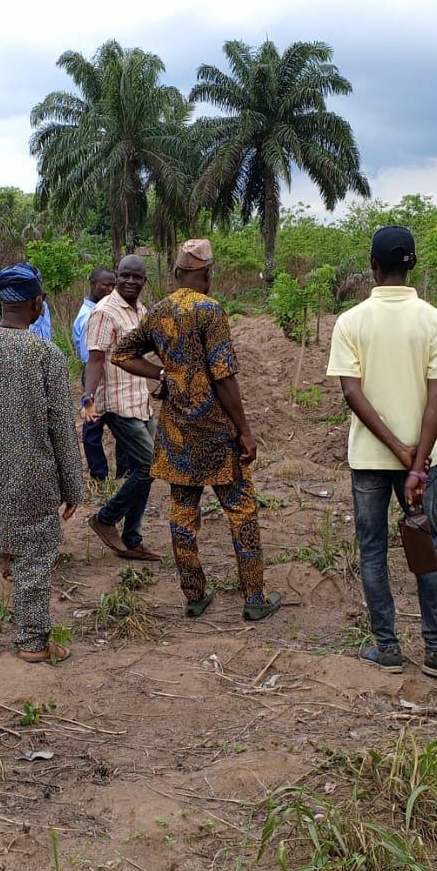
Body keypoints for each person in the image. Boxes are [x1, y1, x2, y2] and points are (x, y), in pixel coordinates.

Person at [111, 239, 282, 621]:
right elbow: (223, 376)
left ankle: (194, 595)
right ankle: (254, 597)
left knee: (182, 512)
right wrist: (245, 431)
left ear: (175, 274)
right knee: (240, 509)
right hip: (216, 432)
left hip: (176, 432)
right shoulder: (210, 311)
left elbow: (121, 354)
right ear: (207, 274)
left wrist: (163, 373)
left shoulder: (159, 311)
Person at [326, 225, 437, 677]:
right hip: (421, 465)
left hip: (369, 460)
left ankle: (387, 647)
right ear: (413, 265)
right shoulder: (434, 321)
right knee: (426, 543)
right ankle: (436, 648)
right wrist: (416, 461)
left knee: (372, 552)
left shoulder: (350, 321)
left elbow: (352, 394)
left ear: (372, 265)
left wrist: (395, 449)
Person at [0, 263, 83, 662]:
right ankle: (31, 641)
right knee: (34, 560)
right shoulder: (46, 353)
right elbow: (62, 426)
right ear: (38, 304)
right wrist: (73, 485)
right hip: (34, 475)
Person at [82, 254, 162, 561]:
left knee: (149, 467)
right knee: (149, 465)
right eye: (124, 275)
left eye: (136, 277)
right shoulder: (105, 312)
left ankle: (132, 538)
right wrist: (87, 397)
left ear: (144, 281)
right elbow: (95, 359)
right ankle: (105, 519)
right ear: (117, 276)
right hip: (116, 403)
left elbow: (150, 349)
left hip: (139, 400)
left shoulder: (141, 310)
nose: (130, 281)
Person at [72, 266, 118, 483]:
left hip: (108, 371)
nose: (110, 289)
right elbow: (89, 356)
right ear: (92, 285)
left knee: (120, 421)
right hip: (95, 374)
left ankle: (122, 471)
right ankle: (99, 475)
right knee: (93, 427)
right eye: (105, 284)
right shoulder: (88, 316)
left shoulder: (104, 310)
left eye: (112, 285)